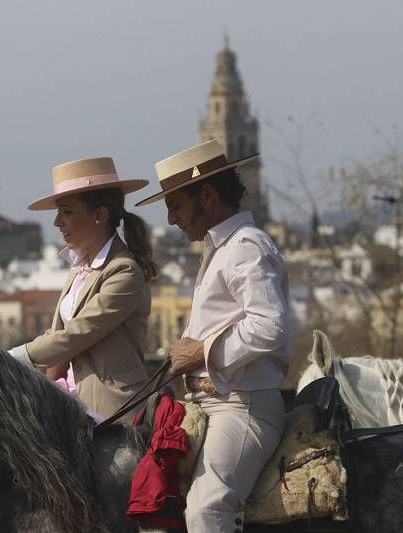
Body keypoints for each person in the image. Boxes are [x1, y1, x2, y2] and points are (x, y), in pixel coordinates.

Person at [136, 139, 290, 532]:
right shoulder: (222, 248)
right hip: (215, 404)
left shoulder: (245, 247)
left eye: (175, 205)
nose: (171, 219)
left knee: (208, 511)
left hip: (244, 407)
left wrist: (201, 352)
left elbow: (270, 326)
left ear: (206, 195)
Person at [10, 156, 157, 423]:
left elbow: (76, 335)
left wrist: (14, 357)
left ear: (99, 215)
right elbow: (59, 336)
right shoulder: (79, 269)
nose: (57, 222)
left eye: (66, 212)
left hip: (111, 412)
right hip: (70, 404)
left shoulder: (123, 271)